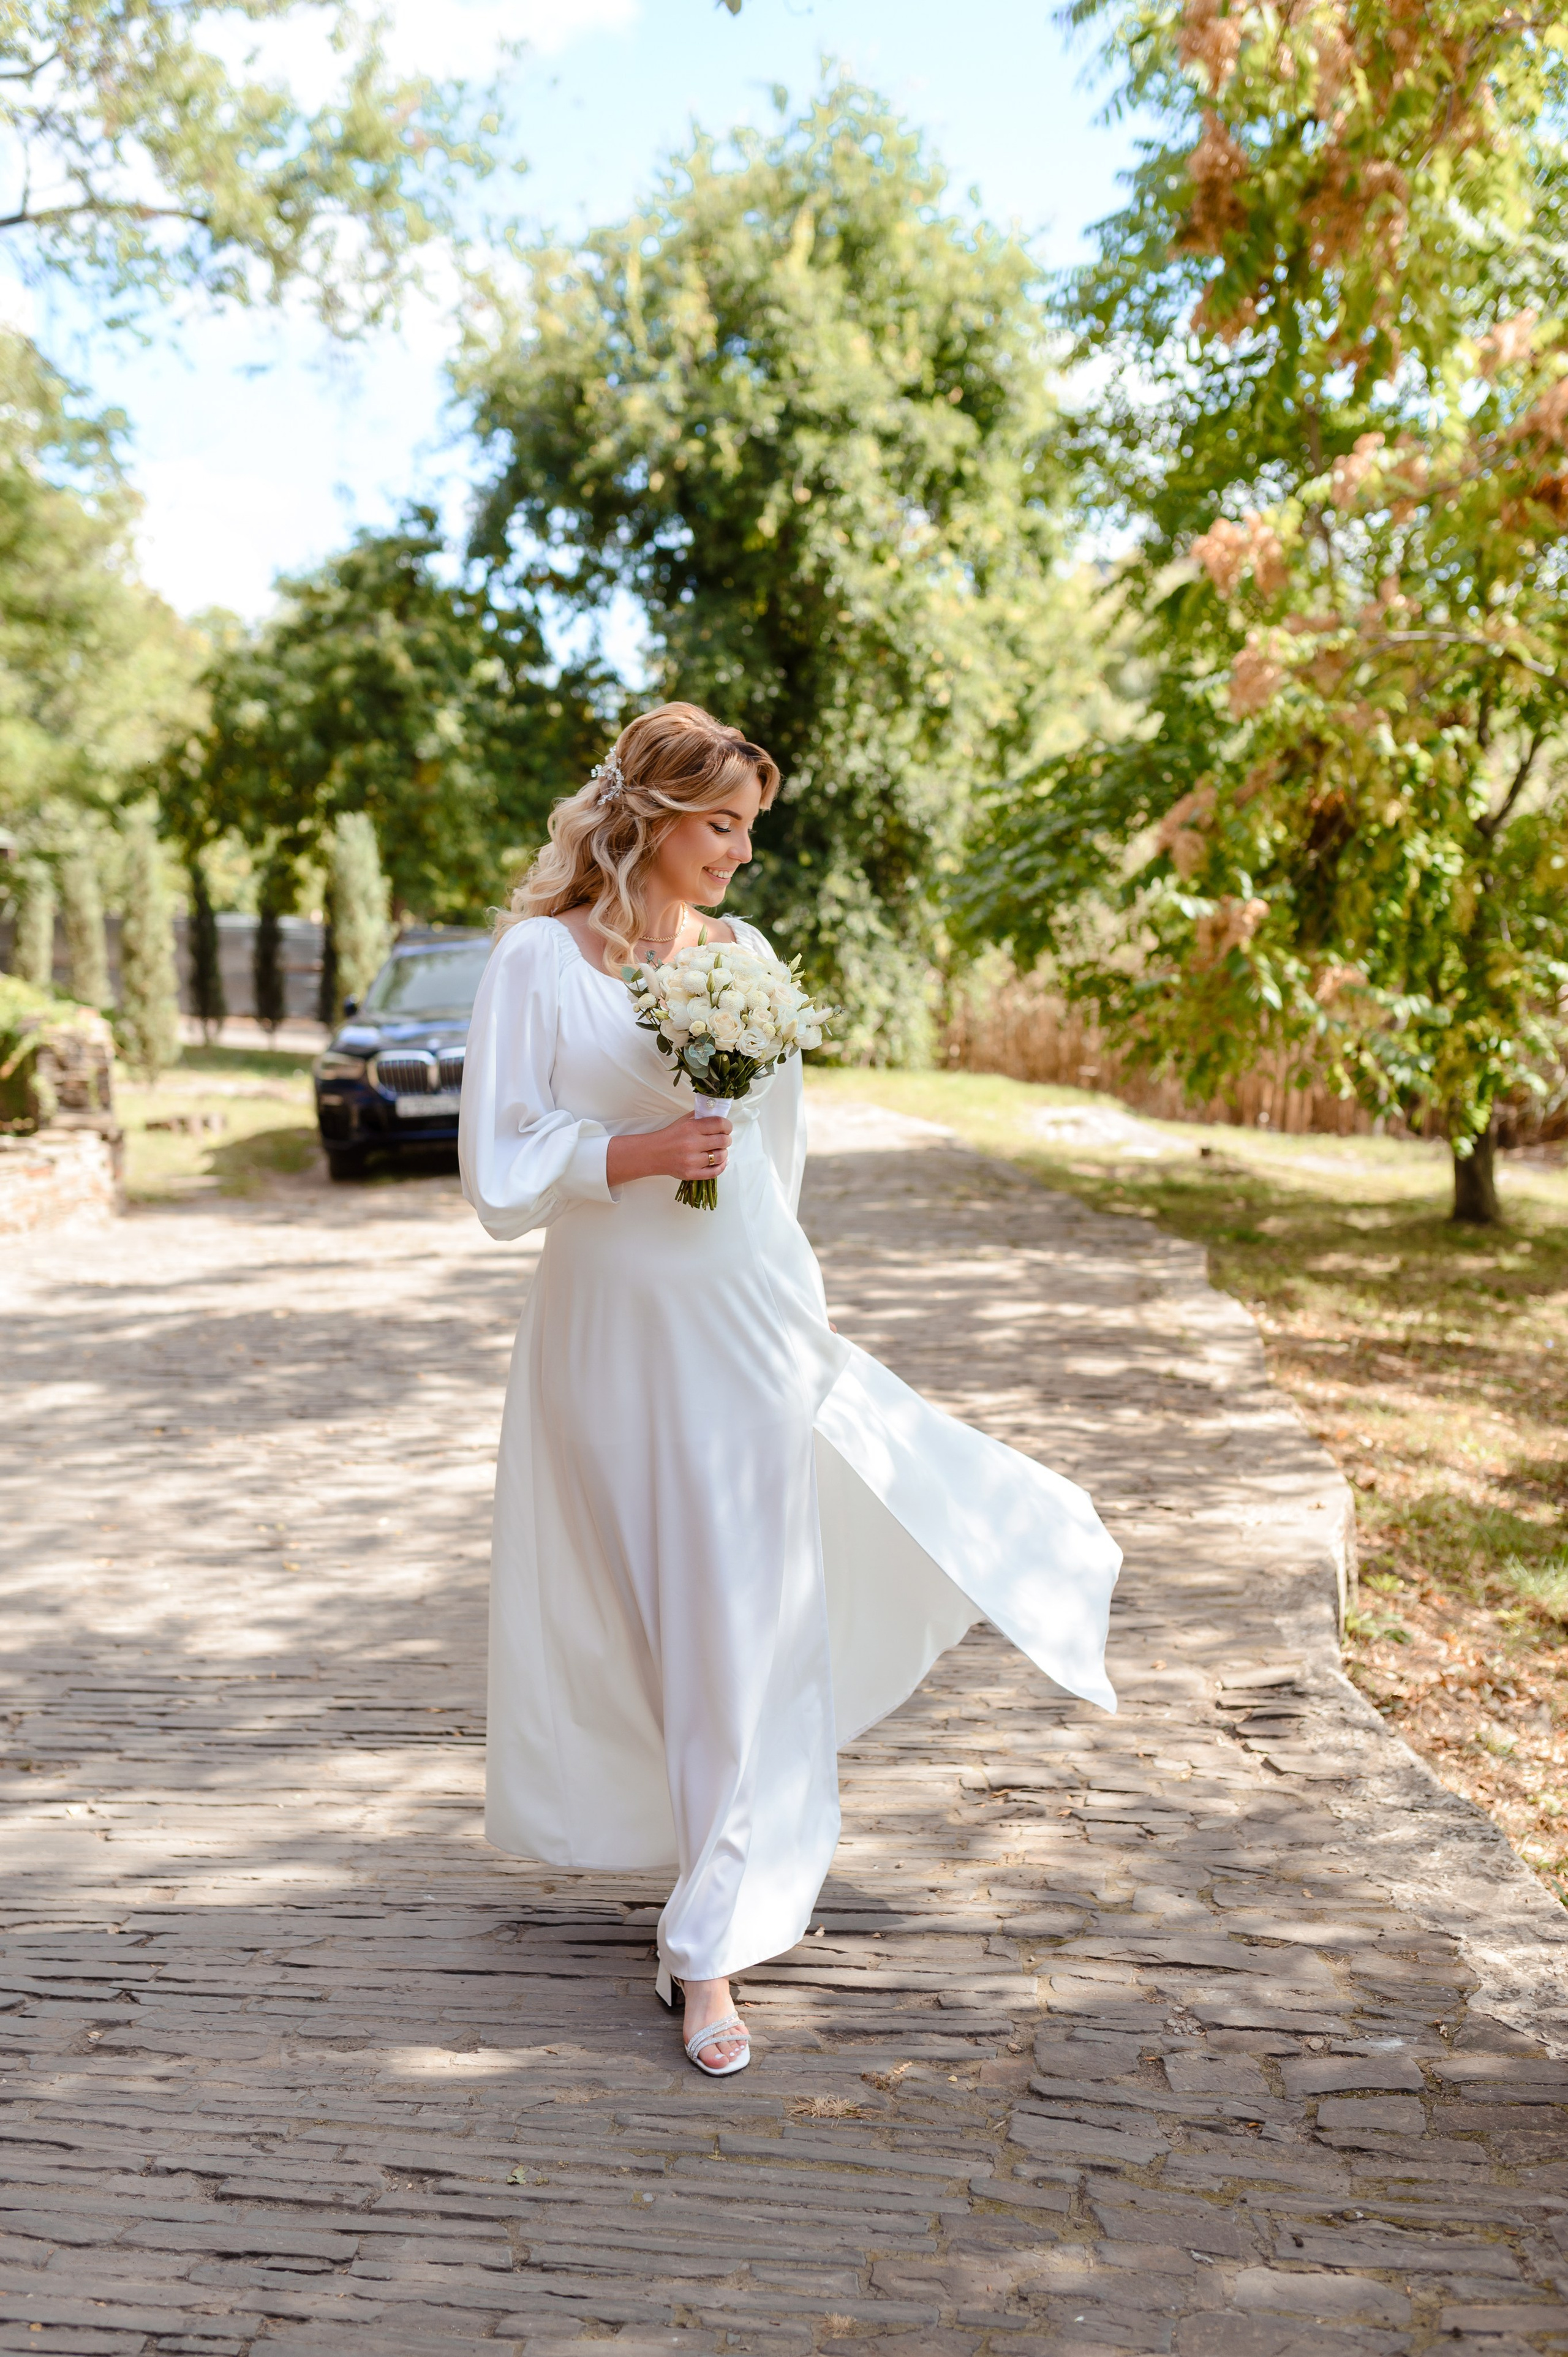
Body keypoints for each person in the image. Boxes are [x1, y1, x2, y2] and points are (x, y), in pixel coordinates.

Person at [459, 702, 1120, 2078]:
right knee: (652, 1618)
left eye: (751, 829)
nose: (740, 855)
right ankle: (691, 1868)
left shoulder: (745, 959)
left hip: (743, 1309)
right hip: (606, 1330)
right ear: (644, 815)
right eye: (721, 825)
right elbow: (496, 1167)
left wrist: (774, 1279)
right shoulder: (535, 960)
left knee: (742, 1616)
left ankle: (711, 1942)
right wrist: (635, 1155)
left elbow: (776, 1154)